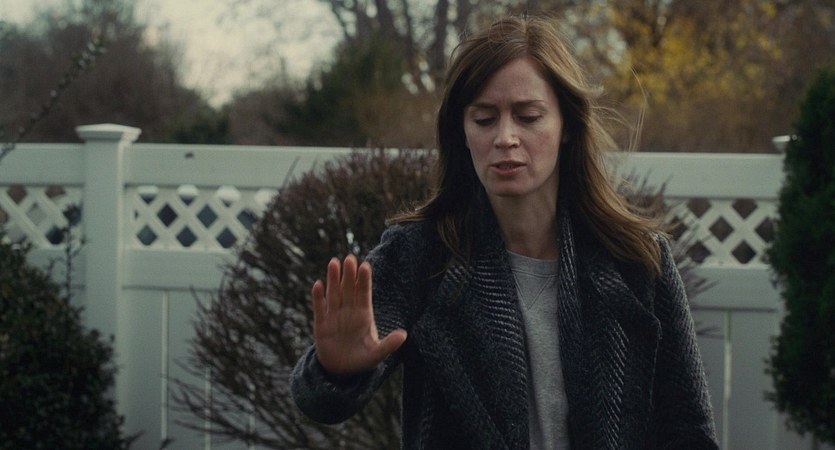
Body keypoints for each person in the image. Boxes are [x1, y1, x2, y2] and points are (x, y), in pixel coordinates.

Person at [291, 15, 718, 449]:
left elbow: (689, 434)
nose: (505, 137)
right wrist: (337, 371)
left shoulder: (636, 259)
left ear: (567, 126)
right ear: (462, 131)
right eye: (484, 119)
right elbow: (319, 400)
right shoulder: (421, 253)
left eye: (528, 116)